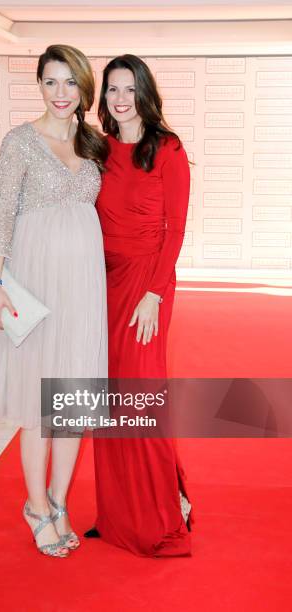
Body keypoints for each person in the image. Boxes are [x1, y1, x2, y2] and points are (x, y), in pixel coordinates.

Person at [0, 44, 108, 558]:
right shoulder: (19, 142)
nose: (61, 93)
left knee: (70, 399)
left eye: (70, 83)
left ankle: (58, 500)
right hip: (34, 280)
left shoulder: (94, 144)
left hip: (83, 283)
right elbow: (3, 215)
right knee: (38, 400)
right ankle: (35, 505)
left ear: (83, 89)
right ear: (38, 85)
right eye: (51, 82)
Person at [85, 55, 194, 557]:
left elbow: (175, 230)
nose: (120, 99)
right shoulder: (97, 149)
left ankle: (162, 512)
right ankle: (116, 515)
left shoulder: (168, 149)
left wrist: (153, 292)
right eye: (112, 90)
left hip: (148, 283)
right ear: (103, 96)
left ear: (145, 93)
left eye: (129, 89)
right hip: (100, 283)